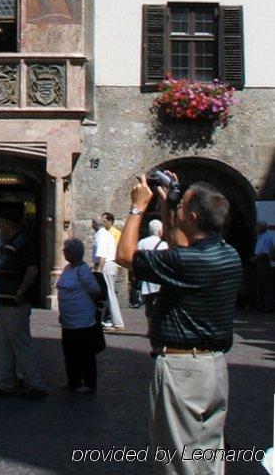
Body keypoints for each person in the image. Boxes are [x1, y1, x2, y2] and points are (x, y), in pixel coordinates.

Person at [116, 174, 242, 475]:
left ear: (193, 217)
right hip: (214, 369)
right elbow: (179, 246)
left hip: (183, 369)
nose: (177, 204)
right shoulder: (229, 255)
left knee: (179, 462)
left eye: (182, 204)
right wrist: (168, 202)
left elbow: (124, 256)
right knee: (208, 459)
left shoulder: (188, 263)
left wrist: (138, 208)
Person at [0, 211, 47, 400]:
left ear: (9, 224)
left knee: (20, 343)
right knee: (2, 343)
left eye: (2, 224)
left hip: (14, 301)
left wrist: (21, 292)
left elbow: (31, 269)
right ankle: (4, 382)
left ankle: (34, 384)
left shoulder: (22, 243)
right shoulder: (12, 244)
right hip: (4, 299)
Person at [56, 238, 102, 392]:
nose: (64, 252)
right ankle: (73, 381)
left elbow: (95, 290)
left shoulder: (82, 270)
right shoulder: (68, 268)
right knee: (70, 353)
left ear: (75, 253)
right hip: (69, 321)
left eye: (66, 250)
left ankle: (89, 384)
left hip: (83, 321)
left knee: (84, 353)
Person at [91, 216, 124, 330]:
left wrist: (98, 270)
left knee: (109, 294)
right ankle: (112, 320)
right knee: (109, 294)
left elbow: (102, 255)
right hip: (109, 265)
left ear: (95, 224)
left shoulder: (101, 236)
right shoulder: (106, 234)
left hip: (106, 266)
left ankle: (116, 322)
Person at [137, 220, 168, 321]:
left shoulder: (141, 243)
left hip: (146, 277)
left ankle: (150, 326)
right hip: (160, 278)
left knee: (148, 304)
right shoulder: (164, 245)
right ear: (160, 231)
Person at [252, 221, 274, 312]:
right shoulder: (260, 237)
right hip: (258, 260)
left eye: (257, 227)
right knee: (259, 284)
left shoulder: (267, 237)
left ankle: (268, 305)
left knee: (265, 284)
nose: (255, 229)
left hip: (263, 261)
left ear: (262, 228)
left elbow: (264, 252)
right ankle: (261, 304)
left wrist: (255, 258)